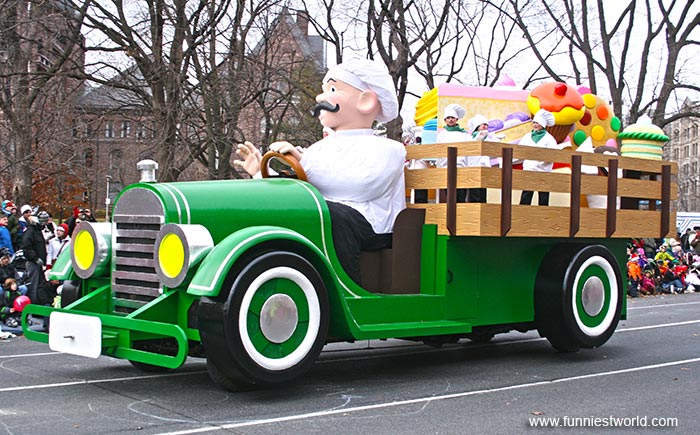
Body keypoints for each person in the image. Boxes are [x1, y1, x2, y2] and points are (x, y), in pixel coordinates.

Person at [234, 59, 406, 286]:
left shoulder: (389, 149)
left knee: (330, 216)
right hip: (329, 215)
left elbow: (362, 185)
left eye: (332, 90)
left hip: (372, 225)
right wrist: (260, 173)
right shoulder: (318, 149)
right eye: (323, 90)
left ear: (366, 101)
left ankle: (345, 292)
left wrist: (304, 163)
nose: (319, 98)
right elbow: (300, 187)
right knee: (296, 212)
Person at [518, 109, 558, 206]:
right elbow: (519, 150)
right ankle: (522, 213)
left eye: (537, 123)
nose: (535, 125)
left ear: (543, 124)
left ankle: (543, 214)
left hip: (543, 171)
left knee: (543, 196)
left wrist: (543, 159)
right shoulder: (527, 137)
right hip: (529, 169)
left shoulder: (549, 139)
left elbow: (554, 154)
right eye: (534, 123)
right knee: (526, 194)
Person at [20, 210, 49, 304]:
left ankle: (38, 302)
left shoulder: (37, 231)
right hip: (33, 263)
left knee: (39, 284)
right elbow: (26, 247)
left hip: (38, 263)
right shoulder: (30, 231)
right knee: (33, 284)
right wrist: (35, 258)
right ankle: (31, 303)